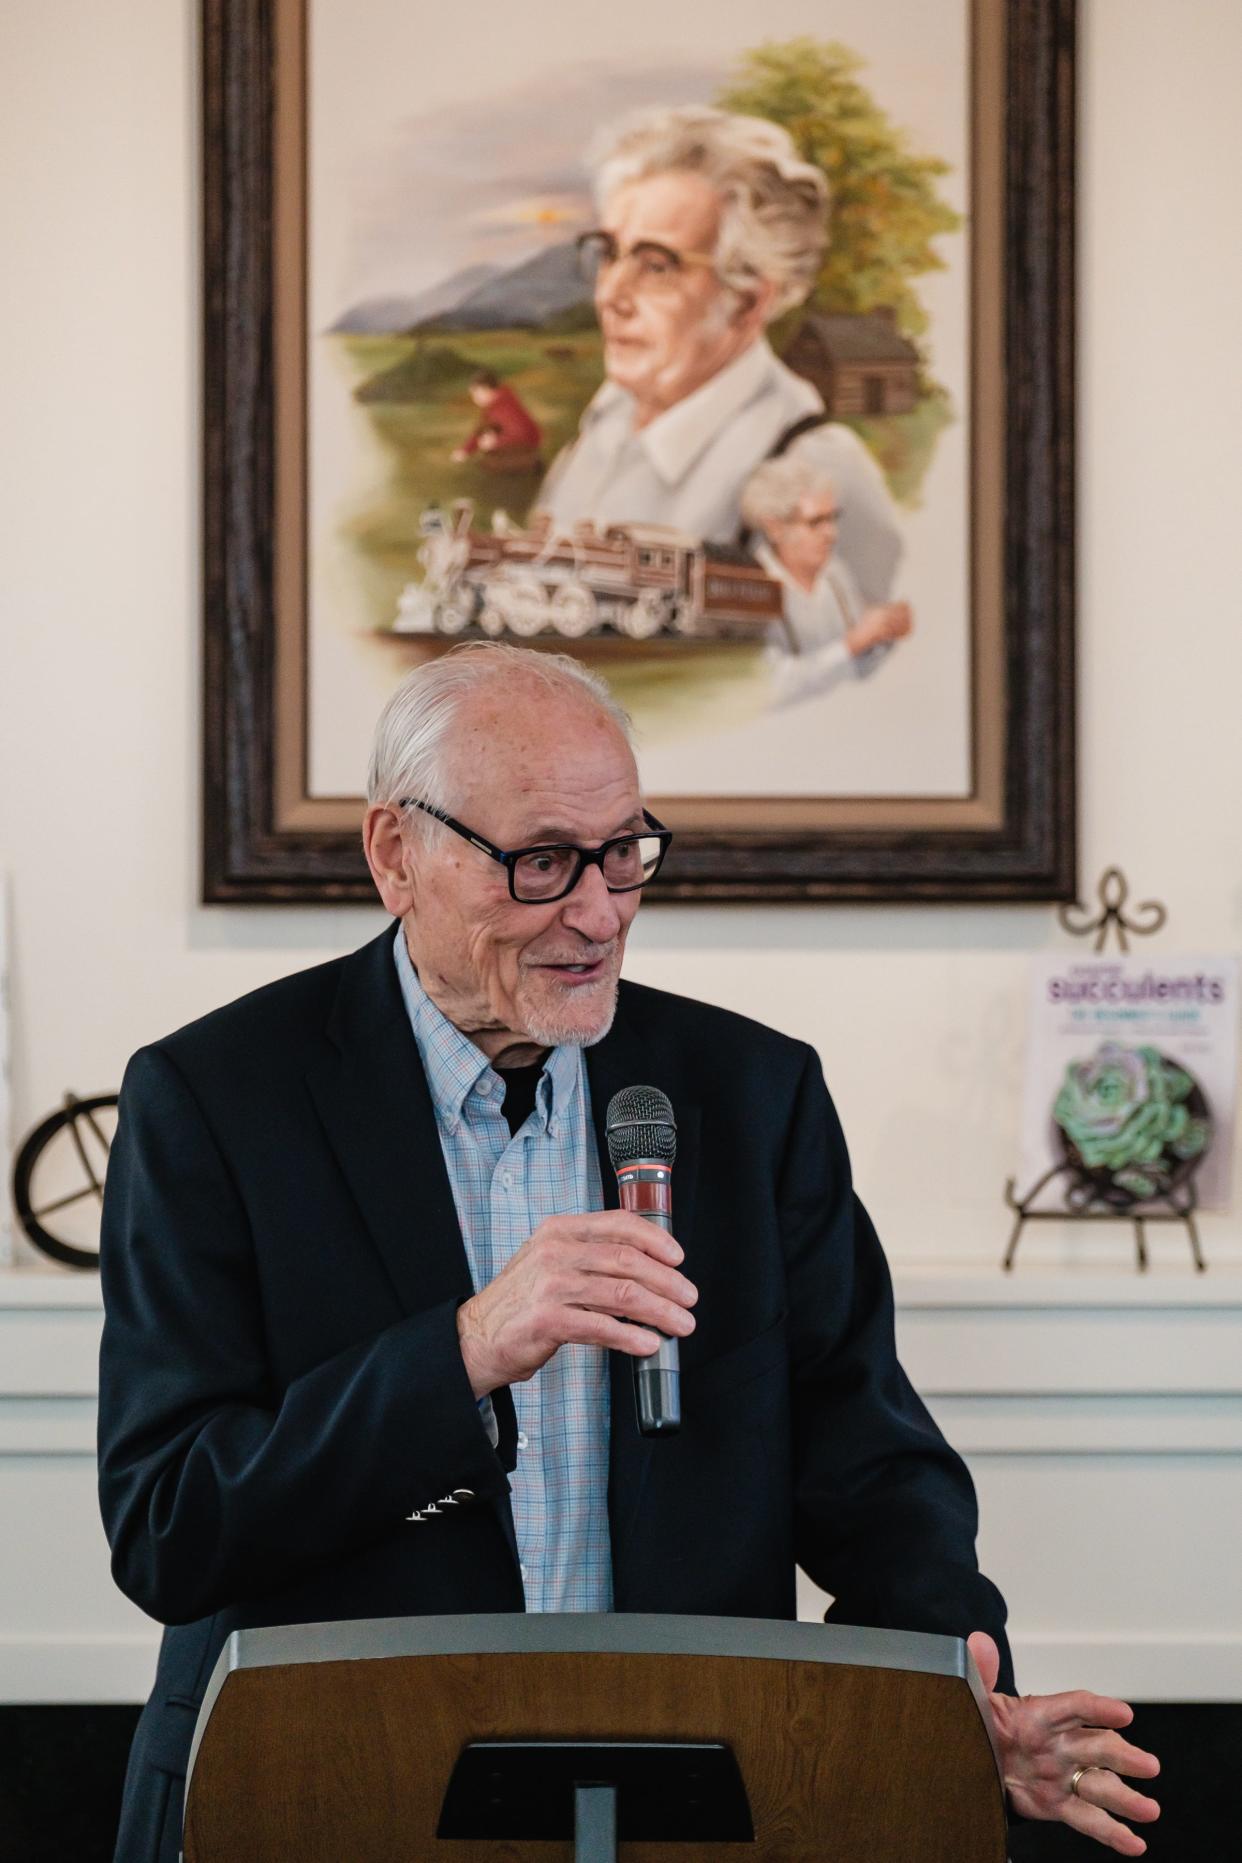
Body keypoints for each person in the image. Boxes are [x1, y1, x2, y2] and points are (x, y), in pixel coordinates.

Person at [98, 645, 1160, 1861]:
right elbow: (169, 1525)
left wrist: (956, 1704)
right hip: (321, 1793)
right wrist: (464, 1352)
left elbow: (870, 1470)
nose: (598, 913)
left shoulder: (753, 1096)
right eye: (542, 862)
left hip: (684, 1803)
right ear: (397, 854)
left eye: (624, 853)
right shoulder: (215, 1096)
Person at [536, 106, 903, 605]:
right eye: (607, 253)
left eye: (656, 265)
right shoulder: (603, 428)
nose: (610, 295)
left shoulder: (812, 467)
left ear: (749, 301)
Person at [740, 453, 913, 708]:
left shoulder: (836, 575)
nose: (831, 533)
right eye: (816, 522)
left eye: (832, 518)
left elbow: (856, 671)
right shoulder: (749, 589)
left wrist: (883, 635)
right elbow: (769, 688)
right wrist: (852, 644)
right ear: (775, 528)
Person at [451, 368, 542, 470]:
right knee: (486, 460)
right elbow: (481, 429)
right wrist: (465, 450)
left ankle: (528, 465)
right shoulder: (494, 405)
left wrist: (495, 443)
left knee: (488, 463)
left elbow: (520, 433)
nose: (474, 399)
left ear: (486, 389)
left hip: (526, 446)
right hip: (518, 444)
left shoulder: (504, 407)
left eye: (476, 394)